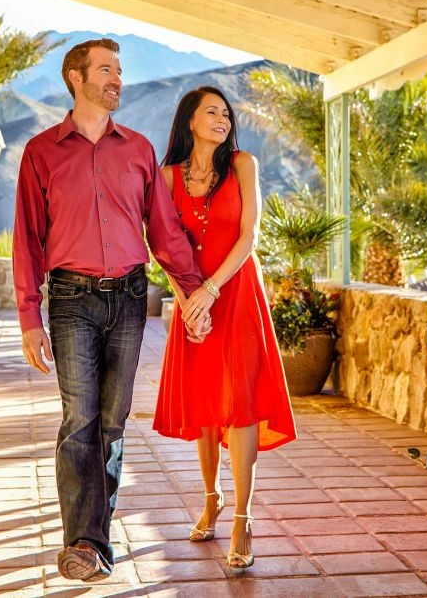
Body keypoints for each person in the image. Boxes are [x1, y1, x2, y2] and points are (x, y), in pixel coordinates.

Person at [12, 39, 216, 582]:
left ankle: (92, 543)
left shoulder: (139, 150)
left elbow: (165, 233)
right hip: (71, 299)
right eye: (106, 70)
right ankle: (86, 542)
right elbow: (28, 240)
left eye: (119, 71)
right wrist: (30, 318)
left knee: (112, 422)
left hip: (128, 296)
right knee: (79, 419)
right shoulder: (41, 152)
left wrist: (194, 293)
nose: (117, 80)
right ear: (75, 79)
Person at [153, 86, 297, 570]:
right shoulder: (167, 177)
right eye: (211, 112)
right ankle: (211, 497)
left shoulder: (243, 165)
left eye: (226, 113)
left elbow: (249, 236)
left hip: (234, 294)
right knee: (206, 399)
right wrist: (187, 301)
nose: (222, 119)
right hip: (194, 299)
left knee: (240, 403)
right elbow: (163, 245)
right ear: (190, 121)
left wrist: (210, 292)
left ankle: (243, 516)